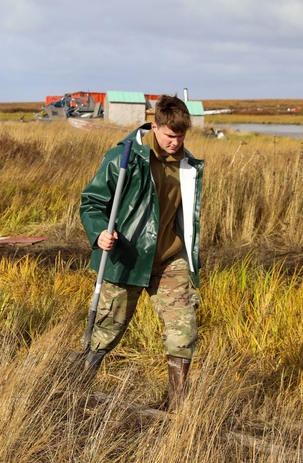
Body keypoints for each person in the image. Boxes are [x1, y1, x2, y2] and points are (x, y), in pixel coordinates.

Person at [79, 95, 205, 410]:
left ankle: (178, 409)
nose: (175, 143)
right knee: (107, 332)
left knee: (183, 329)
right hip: (127, 259)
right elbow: (92, 202)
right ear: (155, 125)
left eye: (181, 136)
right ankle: (74, 388)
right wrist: (99, 234)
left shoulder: (188, 167)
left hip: (168, 260)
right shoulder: (124, 157)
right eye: (169, 136)